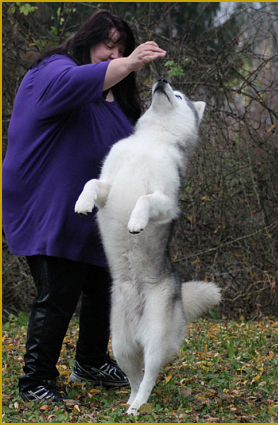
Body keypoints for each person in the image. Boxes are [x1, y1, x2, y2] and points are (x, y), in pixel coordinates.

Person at [2, 9, 166, 402]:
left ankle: (90, 361)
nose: (114, 55)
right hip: (51, 204)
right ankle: (35, 380)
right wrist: (129, 62)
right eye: (107, 45)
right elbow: (74, 82)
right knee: (59, 292)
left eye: (121, 49)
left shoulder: (114, 101)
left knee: (104, 285)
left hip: (99, 214)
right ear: (85, 39)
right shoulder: (51, 72)